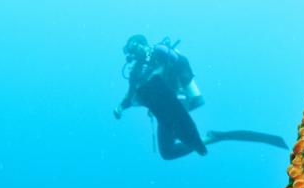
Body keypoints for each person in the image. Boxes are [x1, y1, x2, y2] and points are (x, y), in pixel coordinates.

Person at [114, 35, 288, 160]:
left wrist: (159, 72)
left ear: (143, 43)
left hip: (179, 101)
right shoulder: (136, 70)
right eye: (129, 50)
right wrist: (120, 107)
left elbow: (181, 63)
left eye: (133, 46)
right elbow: (130, 95)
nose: (132, 52)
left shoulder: (160, 51)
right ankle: (211, 137)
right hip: (164, 113)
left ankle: (193, 135)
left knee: (173, 139)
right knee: (167, 153)